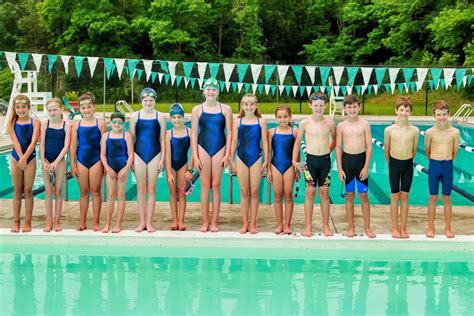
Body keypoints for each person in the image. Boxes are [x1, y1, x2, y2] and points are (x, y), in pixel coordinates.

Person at [190, 78, 232, 232]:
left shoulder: (225, 109)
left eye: (214, 89)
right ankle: (205, 222)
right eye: (208, 89)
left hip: (219, 148)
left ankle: (215, 222)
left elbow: (229, 134)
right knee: (205, 185)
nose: (211, 91)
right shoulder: (197, 109)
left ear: (218, 92)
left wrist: (227, 154)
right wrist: (194, 155)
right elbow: (194, 134)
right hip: (203, 148)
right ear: (203, 91)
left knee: (216, 185)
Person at [292, 92, 336, 237]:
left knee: (324, 193)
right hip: (310, 161)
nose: (318, 108)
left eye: (321, 105)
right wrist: (294, 161)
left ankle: (325, 226)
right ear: (310, 105)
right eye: (316, 105)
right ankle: (308, 226)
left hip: (325, 162)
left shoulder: (330, 123)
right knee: (310, 193)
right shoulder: (305, 123)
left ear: (326, 106)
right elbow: (297, 142)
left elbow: (335, 140)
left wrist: (327, 151)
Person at [336, 95, 376, 238]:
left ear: (359, 107)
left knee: (364, 195)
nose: (352, 110)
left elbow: (370, 146)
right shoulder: (341, 126)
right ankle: (351, 227)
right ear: (345, 109)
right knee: (350, 195)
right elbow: (338, 147)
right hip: (347, 162)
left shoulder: (365, 124)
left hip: (361, 160)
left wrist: (366, 167)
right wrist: (340, 169)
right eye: (349, 107)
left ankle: (367, 227)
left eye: (354, 107)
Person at [230, 94, 268, 234]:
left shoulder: (261, 122)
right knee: (244, 192)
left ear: (256, 105)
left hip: (256, 159)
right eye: (246, 104)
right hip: (241, 158)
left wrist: (266, 160)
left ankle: (253, 224)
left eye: (252, 104)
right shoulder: (237, 122)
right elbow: (234, 142)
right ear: (242, 105)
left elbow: (264, 143)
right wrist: (231, 159)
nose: (249, 106)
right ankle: (245, 223)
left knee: (255, 192)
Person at [129, 88, 166, 233]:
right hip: (138, 154)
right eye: (145, 100)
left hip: (155, 154)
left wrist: (162, 158)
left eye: (151, 100)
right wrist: (131, 158)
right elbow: (132, 139)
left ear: (155, 101)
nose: (148, 103)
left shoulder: (160, 116)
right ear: (141, 101)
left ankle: (149, 223)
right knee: (140, 189)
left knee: (151, 189)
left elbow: (162, 139)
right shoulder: (135, 116)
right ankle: (141, 222)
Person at [70, 92, 107, 231]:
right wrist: (72, 164)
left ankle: (96, 222)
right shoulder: (76, 125)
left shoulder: (101, 124)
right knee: (83, 192)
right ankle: (82, 222)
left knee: (96, 191)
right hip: (82, 160)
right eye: (83, 108)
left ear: (94, 107)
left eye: (89, 107)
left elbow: (104, 146)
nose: (86, 110)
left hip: (96, 160)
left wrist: (104, 164)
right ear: (79, 109)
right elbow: (73, 145)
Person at [383, 97, 419, 238]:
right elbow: (386, 149)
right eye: (401, 110)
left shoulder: (415, 130)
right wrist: (391, 164)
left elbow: (414, 150)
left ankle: (403, 228)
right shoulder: (389, 130)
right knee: (394, 196)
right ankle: (394, 228)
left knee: (404, 196)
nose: (404, 113)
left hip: (407, 165)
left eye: (407, 110)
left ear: (410, 112)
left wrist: (407, 160)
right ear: (396, 110)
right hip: (394, 164)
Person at [424, 100, 460, 238]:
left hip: (447, 166)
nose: (442, 117)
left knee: (447, 198)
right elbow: (427, 151)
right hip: (434, 165)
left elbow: (454, 152)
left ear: (449, 114)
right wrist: (436, 158)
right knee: (433, 197)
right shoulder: (429, 132)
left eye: (444, 114)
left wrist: (446, 158)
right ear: (434, 115)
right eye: (438, 114)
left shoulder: (455, 132)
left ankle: (448, 228)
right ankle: (431, 228)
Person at [8, 94, 40, 233]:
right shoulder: (12, 123)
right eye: (18, 107)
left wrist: (25, 158)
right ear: (14, 108)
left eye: (23, 107)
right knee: (17, 191)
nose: (21, 110)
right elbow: (15, 142)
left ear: (29, 107)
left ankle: (28, 222)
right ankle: (16, 222)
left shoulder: (35, 122)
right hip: (16, 157)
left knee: (28, 190)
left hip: (30, 158)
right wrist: (21, 158)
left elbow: (33, 142)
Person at [40, 98, 70, 232]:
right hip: (46, 161)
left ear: (61, 109)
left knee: (58, 191)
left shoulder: (66, 125)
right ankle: (48, 222)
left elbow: (66, 146)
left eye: (55, 110)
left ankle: (57, 221)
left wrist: (56, 161)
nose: (52, 113)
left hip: (59, 162)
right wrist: (43, 160)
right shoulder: (45, 124)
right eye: (50, 110)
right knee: (48, 191)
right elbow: (42, 144)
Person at [100, 112, 134, 233]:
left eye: (120, 122)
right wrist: (107, 168)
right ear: (110, 123)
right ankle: (107, 224)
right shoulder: (105, 136)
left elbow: (130, 155)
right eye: (114, 122)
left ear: (123, 123)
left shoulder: (127, 136)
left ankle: (118, 224)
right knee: (110, 195)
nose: (117, 124)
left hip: (123, 168)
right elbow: (103, 154)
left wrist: (126, 169)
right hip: (111, 168)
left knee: (121, 196)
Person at [267, 105, 297, 234]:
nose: (283, 119)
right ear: (276, 118)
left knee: (289, 195)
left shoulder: (294, 132)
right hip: (275, 165)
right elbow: (269, 152)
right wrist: (268, 168)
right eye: (280, 117)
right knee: (278, 195)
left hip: (289, 166)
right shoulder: (271, 132)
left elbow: (297, 153)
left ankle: (287, 225)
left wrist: (297, 169)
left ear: (290, 117)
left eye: (285, 116)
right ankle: (279, 224)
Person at [165, 103, 192, 231]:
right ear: (170, 119)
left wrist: (190, 169)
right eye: (174, 117)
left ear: (184, 117)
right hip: (171, 166)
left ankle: (181, 221)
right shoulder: (168, 134)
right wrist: (169, 173)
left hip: (183, 165)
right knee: (172, 193)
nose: (177, 120)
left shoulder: (189, 132)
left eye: (179, 117)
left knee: (182, 193)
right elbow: (167, 155)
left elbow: (193, 154)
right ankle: (174, 220)